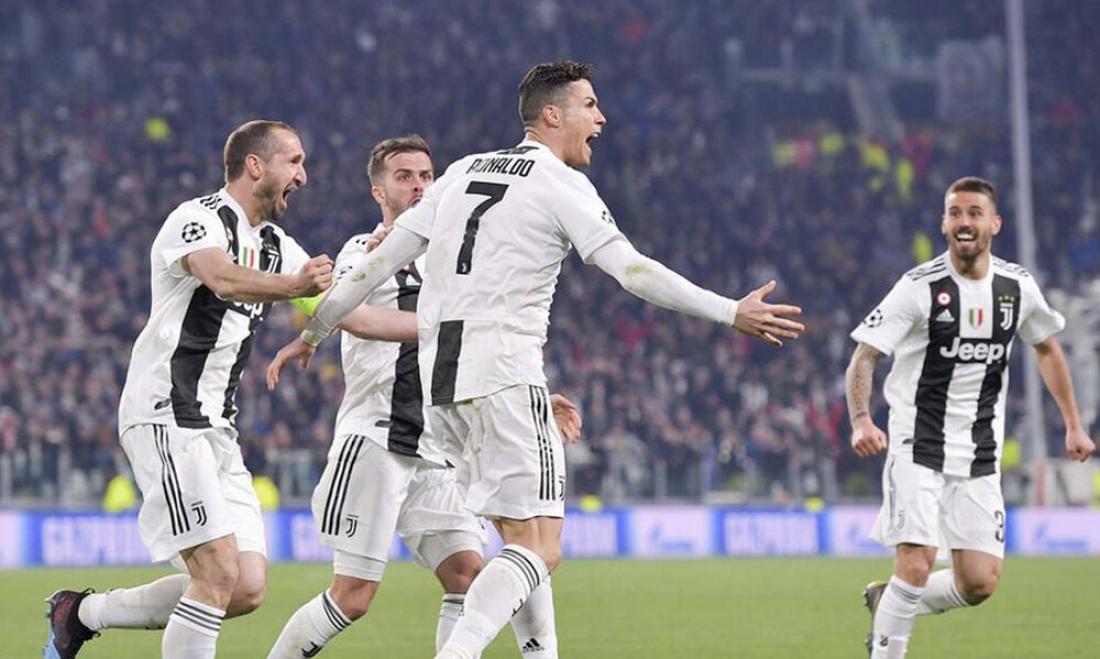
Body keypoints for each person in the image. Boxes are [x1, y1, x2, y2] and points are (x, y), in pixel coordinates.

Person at [267, 60, 804, 659]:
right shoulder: (559, 183)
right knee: (540, 546)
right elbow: (632, 271)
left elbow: (380, 262)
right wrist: (729, 311)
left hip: (443, 389)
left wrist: (313, 332)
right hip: (499, 373)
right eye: (590, 105)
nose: (601, 118)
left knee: (506, 544)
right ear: (552, 115)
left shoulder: (464, 171)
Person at [43, 120, 409, 659]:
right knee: (215, 571)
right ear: (255, 166)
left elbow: (351, 315)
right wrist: (293, 287)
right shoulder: (197, 219)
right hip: (166, 413)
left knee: (244, 587)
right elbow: (220, 277)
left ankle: (81, 614)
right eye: (294, 162)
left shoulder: (277, 245)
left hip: (217, 429)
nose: (303, 176)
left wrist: (448, 326)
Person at [266, 135, 579, 658]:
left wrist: (529, 395)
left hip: (437, 446)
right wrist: (446, 326)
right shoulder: (363, 251)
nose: (418, 186)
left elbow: (484, 344)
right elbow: (355, 317)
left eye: (426, 176)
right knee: (352, 597)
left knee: (467, 574)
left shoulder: (454, 259)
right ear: (378, 191)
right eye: (404, 176)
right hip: (377, 437)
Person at [845, 176, 1095, 659]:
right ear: (944, 223)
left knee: (979, 582)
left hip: (980, 452)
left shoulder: (1016, 287)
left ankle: (890, 599)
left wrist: (1073, 423)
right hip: (917, 445)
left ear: (994, 224)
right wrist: (861, 418)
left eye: (975, 213)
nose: (964, 222)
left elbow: (1046, 347)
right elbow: (864, 356)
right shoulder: (918, 287)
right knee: (916, 562)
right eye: (955, 213)